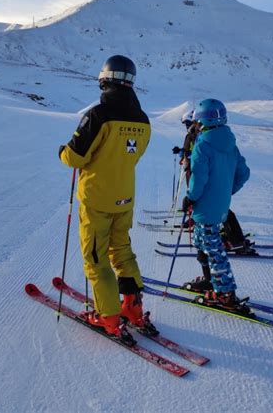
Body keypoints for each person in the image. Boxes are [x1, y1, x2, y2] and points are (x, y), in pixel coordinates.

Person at [59, 55, 155, 343]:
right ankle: (133, 308)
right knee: (122, 250)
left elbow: (75, 157)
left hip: (98, 198)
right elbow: (135, 154)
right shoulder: (143, 119)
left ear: (105, 78)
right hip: (124, 196)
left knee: (96, 257)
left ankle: (109, 317)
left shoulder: (98, 114)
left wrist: (63, 150)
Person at [181, 99, 252, 311]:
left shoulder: (203, 144)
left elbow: (198, 178)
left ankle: (225, 293)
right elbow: (243, 173)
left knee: (214, 250)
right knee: (202, 242)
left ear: (202, 120)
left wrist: (191, 198)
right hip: (219, 205)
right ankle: (209, 280)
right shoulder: (231, 144)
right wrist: (226, 191)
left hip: (205, 207)